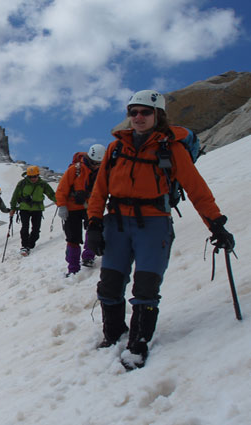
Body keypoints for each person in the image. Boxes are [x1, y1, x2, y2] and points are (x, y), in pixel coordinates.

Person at [86, 89, 235, 370]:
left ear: (158, 115)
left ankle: (138, 344)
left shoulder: (172, 148)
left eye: (145, 112)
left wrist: (216, 224)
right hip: (116, 223)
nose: (138, 117)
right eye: (133, 112)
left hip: (154, 225)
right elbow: (99, 190)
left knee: (146, 287)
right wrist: (94, 223)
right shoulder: (116, 149)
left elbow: (196, 189)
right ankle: (113, 335)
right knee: (109, 285)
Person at [55, 145, 105, 276]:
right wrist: (62, 206)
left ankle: (88, 256)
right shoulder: (75, 170)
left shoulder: (102, 172)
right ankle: (73, 268)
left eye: (99, 163)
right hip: (72, 208)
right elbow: (62, 189)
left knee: (93, 230)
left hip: (91, 207)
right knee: (73, 238)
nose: (96, 166)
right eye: (94, 163)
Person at [9, 165, 56, 255]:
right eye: (31, 177)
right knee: (25, 227)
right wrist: (13, 208)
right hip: (24, 208)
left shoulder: (42, 184)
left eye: (35, 176)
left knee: (36, 230)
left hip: (37, 209)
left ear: (38, 175)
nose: (33, 178)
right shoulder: (22, 183)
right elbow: (15, 196)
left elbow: (51, 194)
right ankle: (24, 246)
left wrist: (59, 202)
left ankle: (30, 245)